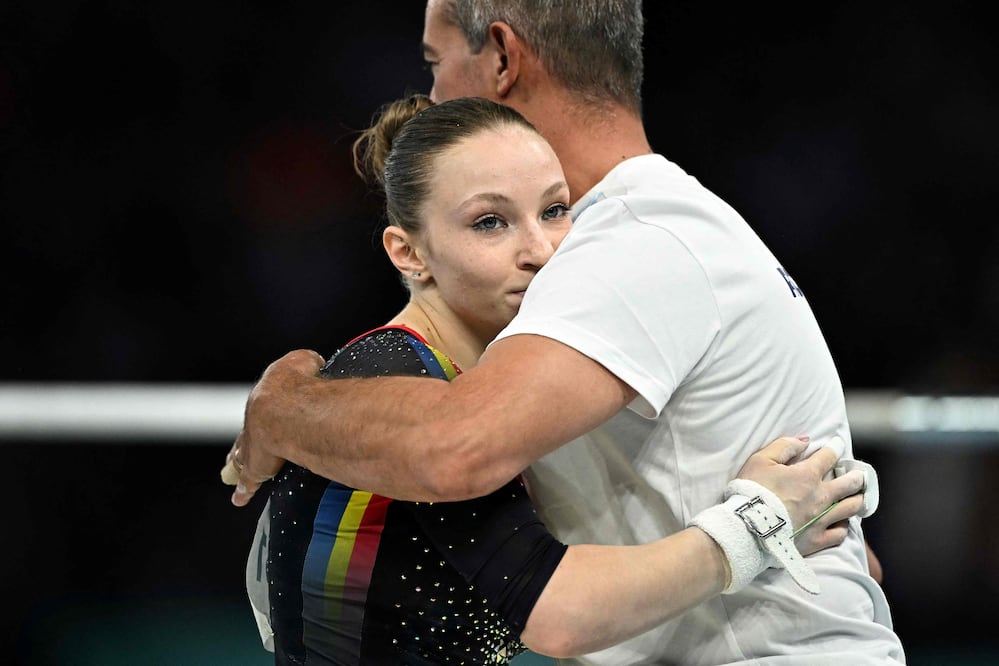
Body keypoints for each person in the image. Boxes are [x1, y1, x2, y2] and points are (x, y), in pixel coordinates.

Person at [225, 1, 906, 663]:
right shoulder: (649, 234)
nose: (430, 96)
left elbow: (453, 451)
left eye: (435, 63)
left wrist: (281, 407)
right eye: (490, 221)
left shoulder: (628, 245)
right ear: (407, 251)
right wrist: (757, 529)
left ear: (500, 57)